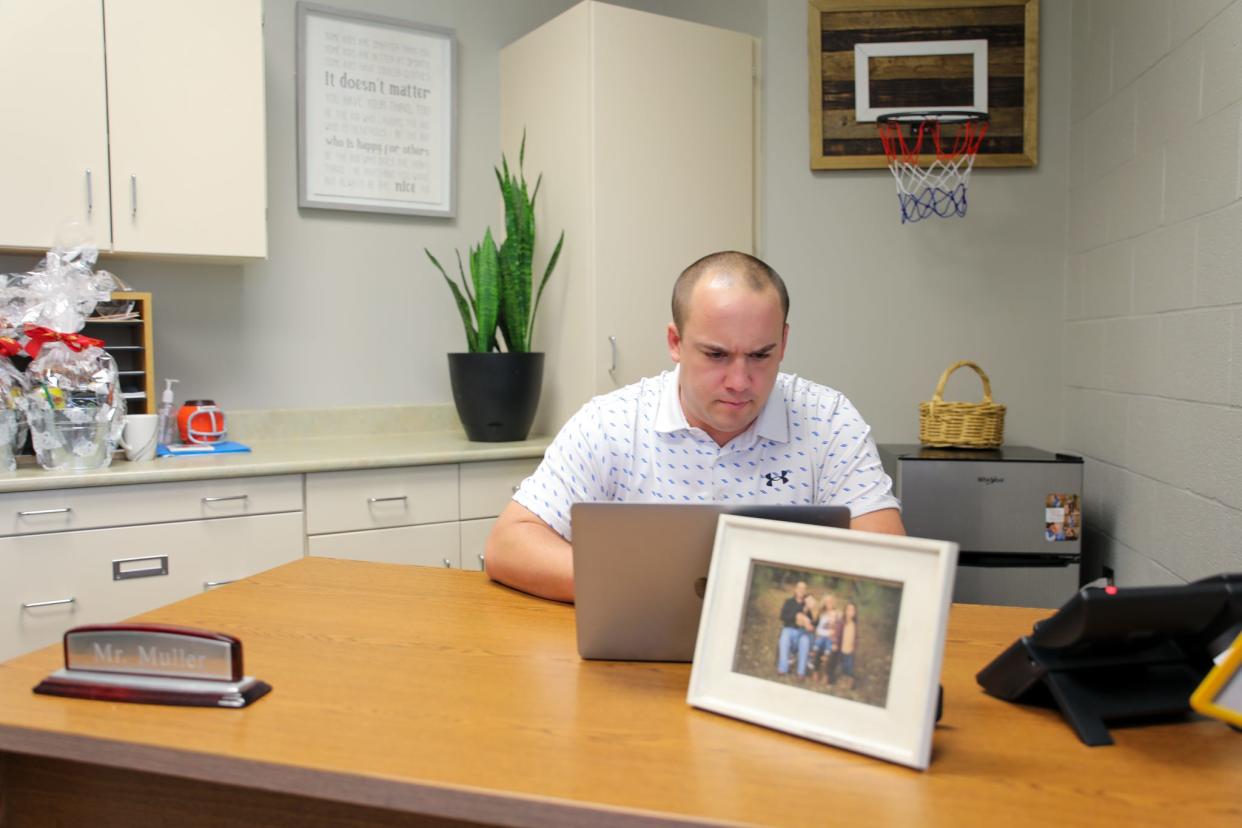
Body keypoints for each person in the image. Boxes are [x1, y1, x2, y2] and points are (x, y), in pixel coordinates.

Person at [485, 251, 905, 602]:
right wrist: (642, 588)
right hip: (634, 656)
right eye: (716, 355)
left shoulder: (828, 420)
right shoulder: (610, 423)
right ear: (675, 343)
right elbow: (509, 544)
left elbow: (889, 559)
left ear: (784, 342)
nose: (740, 382)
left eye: (761, 355)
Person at [777, 582, 812, 678]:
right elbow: (782, 616)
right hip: (789, 629)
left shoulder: (807, 605)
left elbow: (811, 622)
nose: (801, 590)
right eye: (799, 588)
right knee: (784, 637)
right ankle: (783, 668)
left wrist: (807, 621)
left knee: (805, 641)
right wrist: (795, 616)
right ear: (796, 590)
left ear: (805, 591)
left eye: (803, 588)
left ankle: (801, 672)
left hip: (802, 632)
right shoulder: (788, 602)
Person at [839, 601, 859, 690]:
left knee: (849, 665)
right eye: (848, 610)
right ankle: (844, 679)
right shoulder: (842, 623)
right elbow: (838, 634)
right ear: (845, 611)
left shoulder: (855, 625)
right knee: (843, 665)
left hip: (850, 649)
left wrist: (854, 646)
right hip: (842, 648)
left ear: (854, 613)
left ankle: (850, 680)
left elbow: (856, 638)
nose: (850, 612)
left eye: (852, 610)